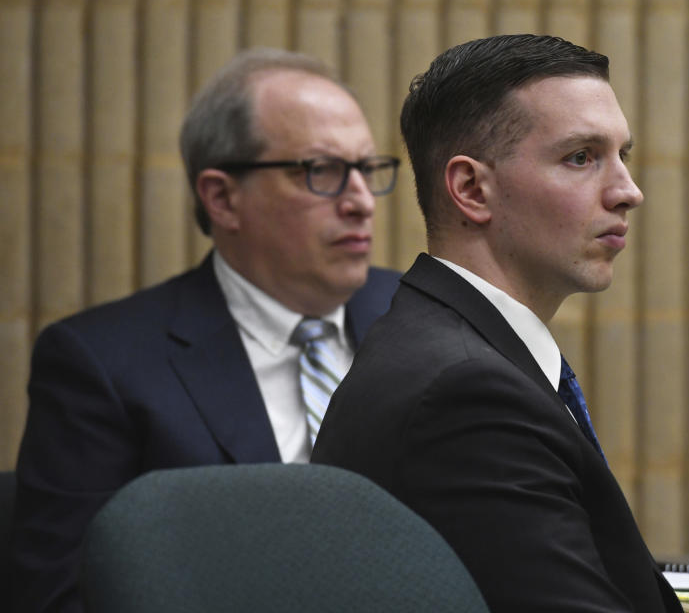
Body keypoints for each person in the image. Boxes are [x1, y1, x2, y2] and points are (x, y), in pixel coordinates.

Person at [13, 47, 401, 612]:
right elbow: (59, 597)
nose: (362, 202)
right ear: (222, 197)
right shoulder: (101, 365)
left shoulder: (423, 317)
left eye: (366, 170)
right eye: (322, 172)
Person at [311, 34, 682, 612]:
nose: (628, 191)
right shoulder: (466, 394)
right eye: (581, 157)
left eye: (622, 156)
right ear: (470, 189)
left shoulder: (457, 347)